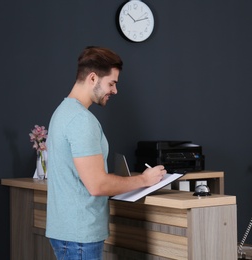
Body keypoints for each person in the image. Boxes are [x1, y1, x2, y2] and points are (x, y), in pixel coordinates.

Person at [45, 46, 167, 260]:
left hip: (67, 232)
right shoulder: (81, 121)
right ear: (93, 78)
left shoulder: (62, 112)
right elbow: (97, 185)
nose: (115, 90)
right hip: (80, 235)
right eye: (112, 83)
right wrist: (144, 179)